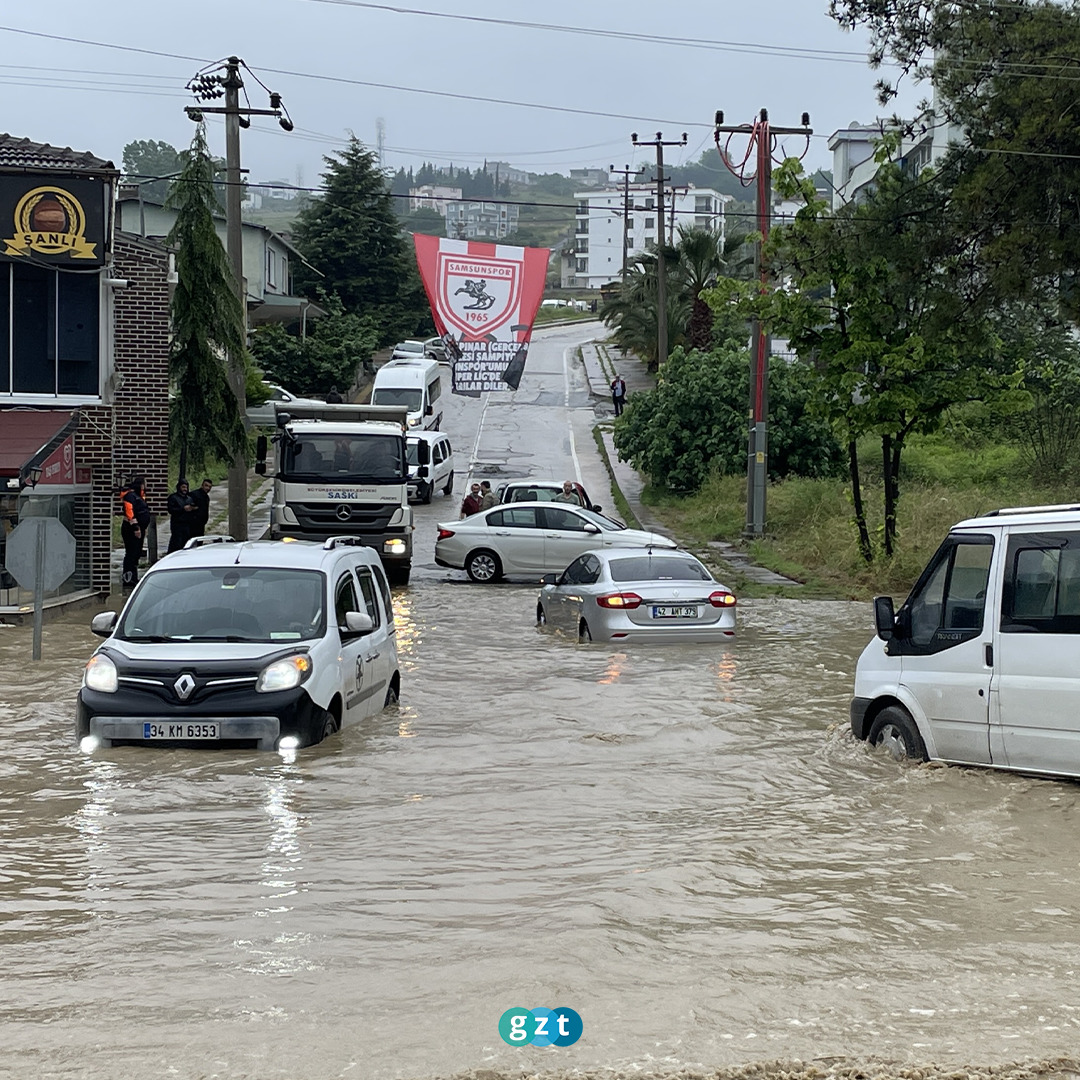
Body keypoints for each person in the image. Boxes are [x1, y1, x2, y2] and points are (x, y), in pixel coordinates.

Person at [119, 474, 153, 591]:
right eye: (145, 484)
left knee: (137, 553)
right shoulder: (130, 496)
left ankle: (134, 576)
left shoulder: (139, 496)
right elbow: (130, 513)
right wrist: (136, 528)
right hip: (131, 529)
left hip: (140, 528)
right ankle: (128, 578)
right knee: (131, 553)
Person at [166, 478, 197, 554]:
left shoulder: (189, 499)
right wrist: (183, 509)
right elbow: (171, 510)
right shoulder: (173, 497)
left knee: (186, 543)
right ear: (179, 487)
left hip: (187, 524)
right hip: (177, 524)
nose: (185, 489)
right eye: (183, 487)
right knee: (176, 543)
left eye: (186, 487)